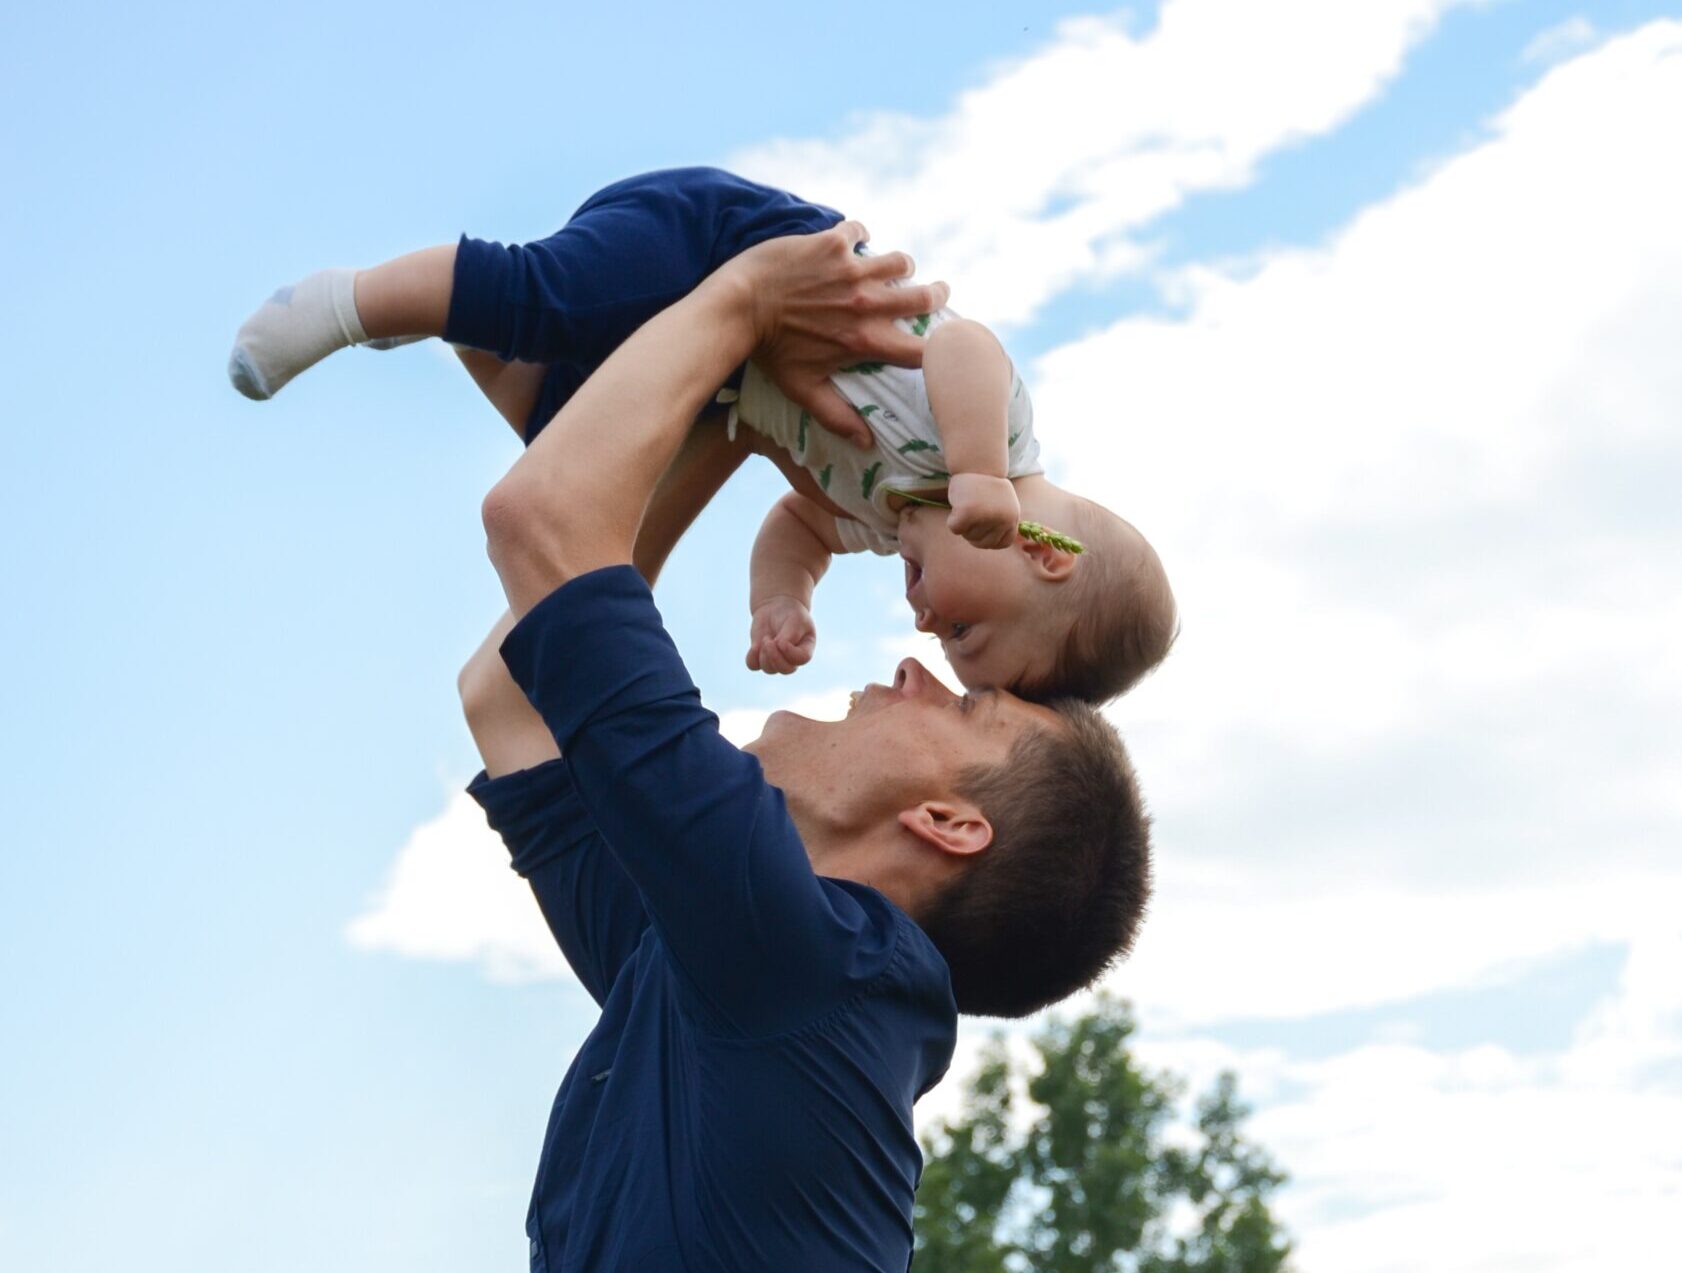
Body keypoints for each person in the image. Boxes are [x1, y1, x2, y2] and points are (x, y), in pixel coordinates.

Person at [457, 222, 1153, 1270]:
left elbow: (539, 521)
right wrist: (735, 415)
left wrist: (749, 302)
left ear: (949, 823)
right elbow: (512, 693)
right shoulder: (736, 968)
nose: (916, 667)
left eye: (967, 708)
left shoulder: (809, 963)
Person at [229, 168, 1177, 702]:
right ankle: (350, 301)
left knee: (572, 437)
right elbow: (967, 347)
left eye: (944, 640)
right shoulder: (993, 444)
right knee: (547, 298)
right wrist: (977, 471)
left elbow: (797, 525)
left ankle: (452, 314)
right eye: (964, 629)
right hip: (730, 246)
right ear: (1045, 554)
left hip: (723, 363)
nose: (926, 623)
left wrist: (783, 598)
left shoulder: (888, 518)